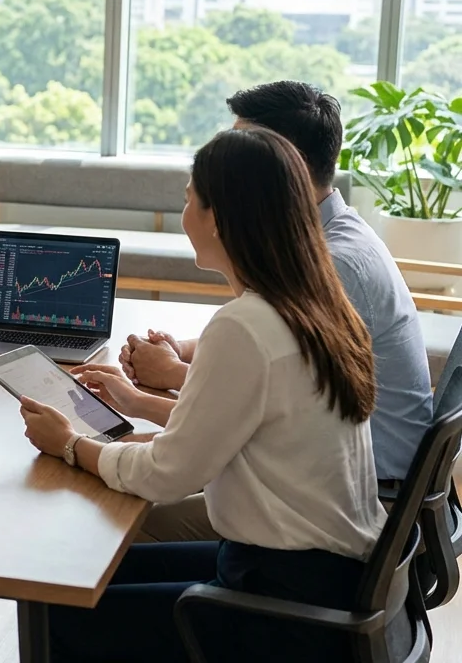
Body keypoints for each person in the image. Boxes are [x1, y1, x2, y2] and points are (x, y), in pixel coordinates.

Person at [20, 128, 386, 663]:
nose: (184, 211)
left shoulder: (245, 325)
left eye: (189, 198)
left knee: (51, 607)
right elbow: (246, 431)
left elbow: (168, 476)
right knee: (77, 576)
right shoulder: (317, 304)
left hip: (283, 603)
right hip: (333, 573)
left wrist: (73, 445)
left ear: (218, 215)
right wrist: (141, 417)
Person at [114, 80, 431, 542]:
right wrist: (181, 352)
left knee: (123, 522)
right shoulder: (330, 238)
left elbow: (263, 392)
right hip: (335, 487)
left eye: (246, 150)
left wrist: (166, 379)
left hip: (353, 500)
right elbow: (274, 362)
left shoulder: (336, 263)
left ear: (283, 167)